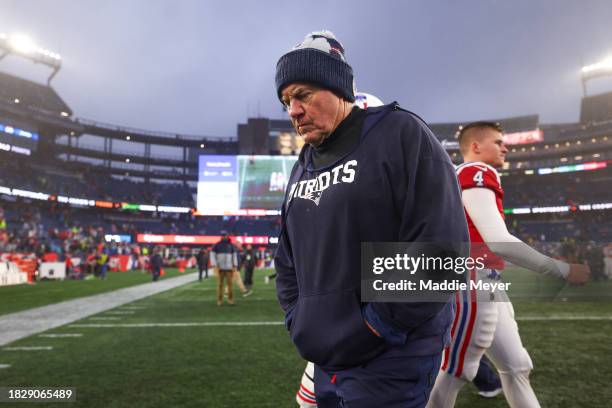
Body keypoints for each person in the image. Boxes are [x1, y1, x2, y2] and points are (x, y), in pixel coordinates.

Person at [274, 30, 468, 407]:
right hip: (324, 355)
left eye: (303, 95)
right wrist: (301, 321)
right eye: (286, 100)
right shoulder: (303, 164)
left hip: (390, 356)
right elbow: (287, 259)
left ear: (339, 88)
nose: (293, 111)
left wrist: (376, 324)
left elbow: (441, 250)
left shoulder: (400, 133)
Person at [426, 122, 591, 408]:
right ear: (475, 147)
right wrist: (562, 269)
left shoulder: (462, 174)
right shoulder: (476, 171)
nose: (506, 147)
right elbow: (498, 241)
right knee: (455, 370)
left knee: (516, 365)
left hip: (481, 279)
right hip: (472, 278)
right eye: (498, 141)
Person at [211, 233, 239, 306]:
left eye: (225, 235)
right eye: (223, 236)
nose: (224, 237)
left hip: (229, 268)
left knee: (230, 285)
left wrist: (235, 265)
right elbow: (212, 255)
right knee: (220, 285)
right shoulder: (217, 245)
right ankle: (219, 300)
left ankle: (230, 299)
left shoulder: (231, 245)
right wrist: (215, 265)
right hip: (220, 268)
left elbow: (234, 255)